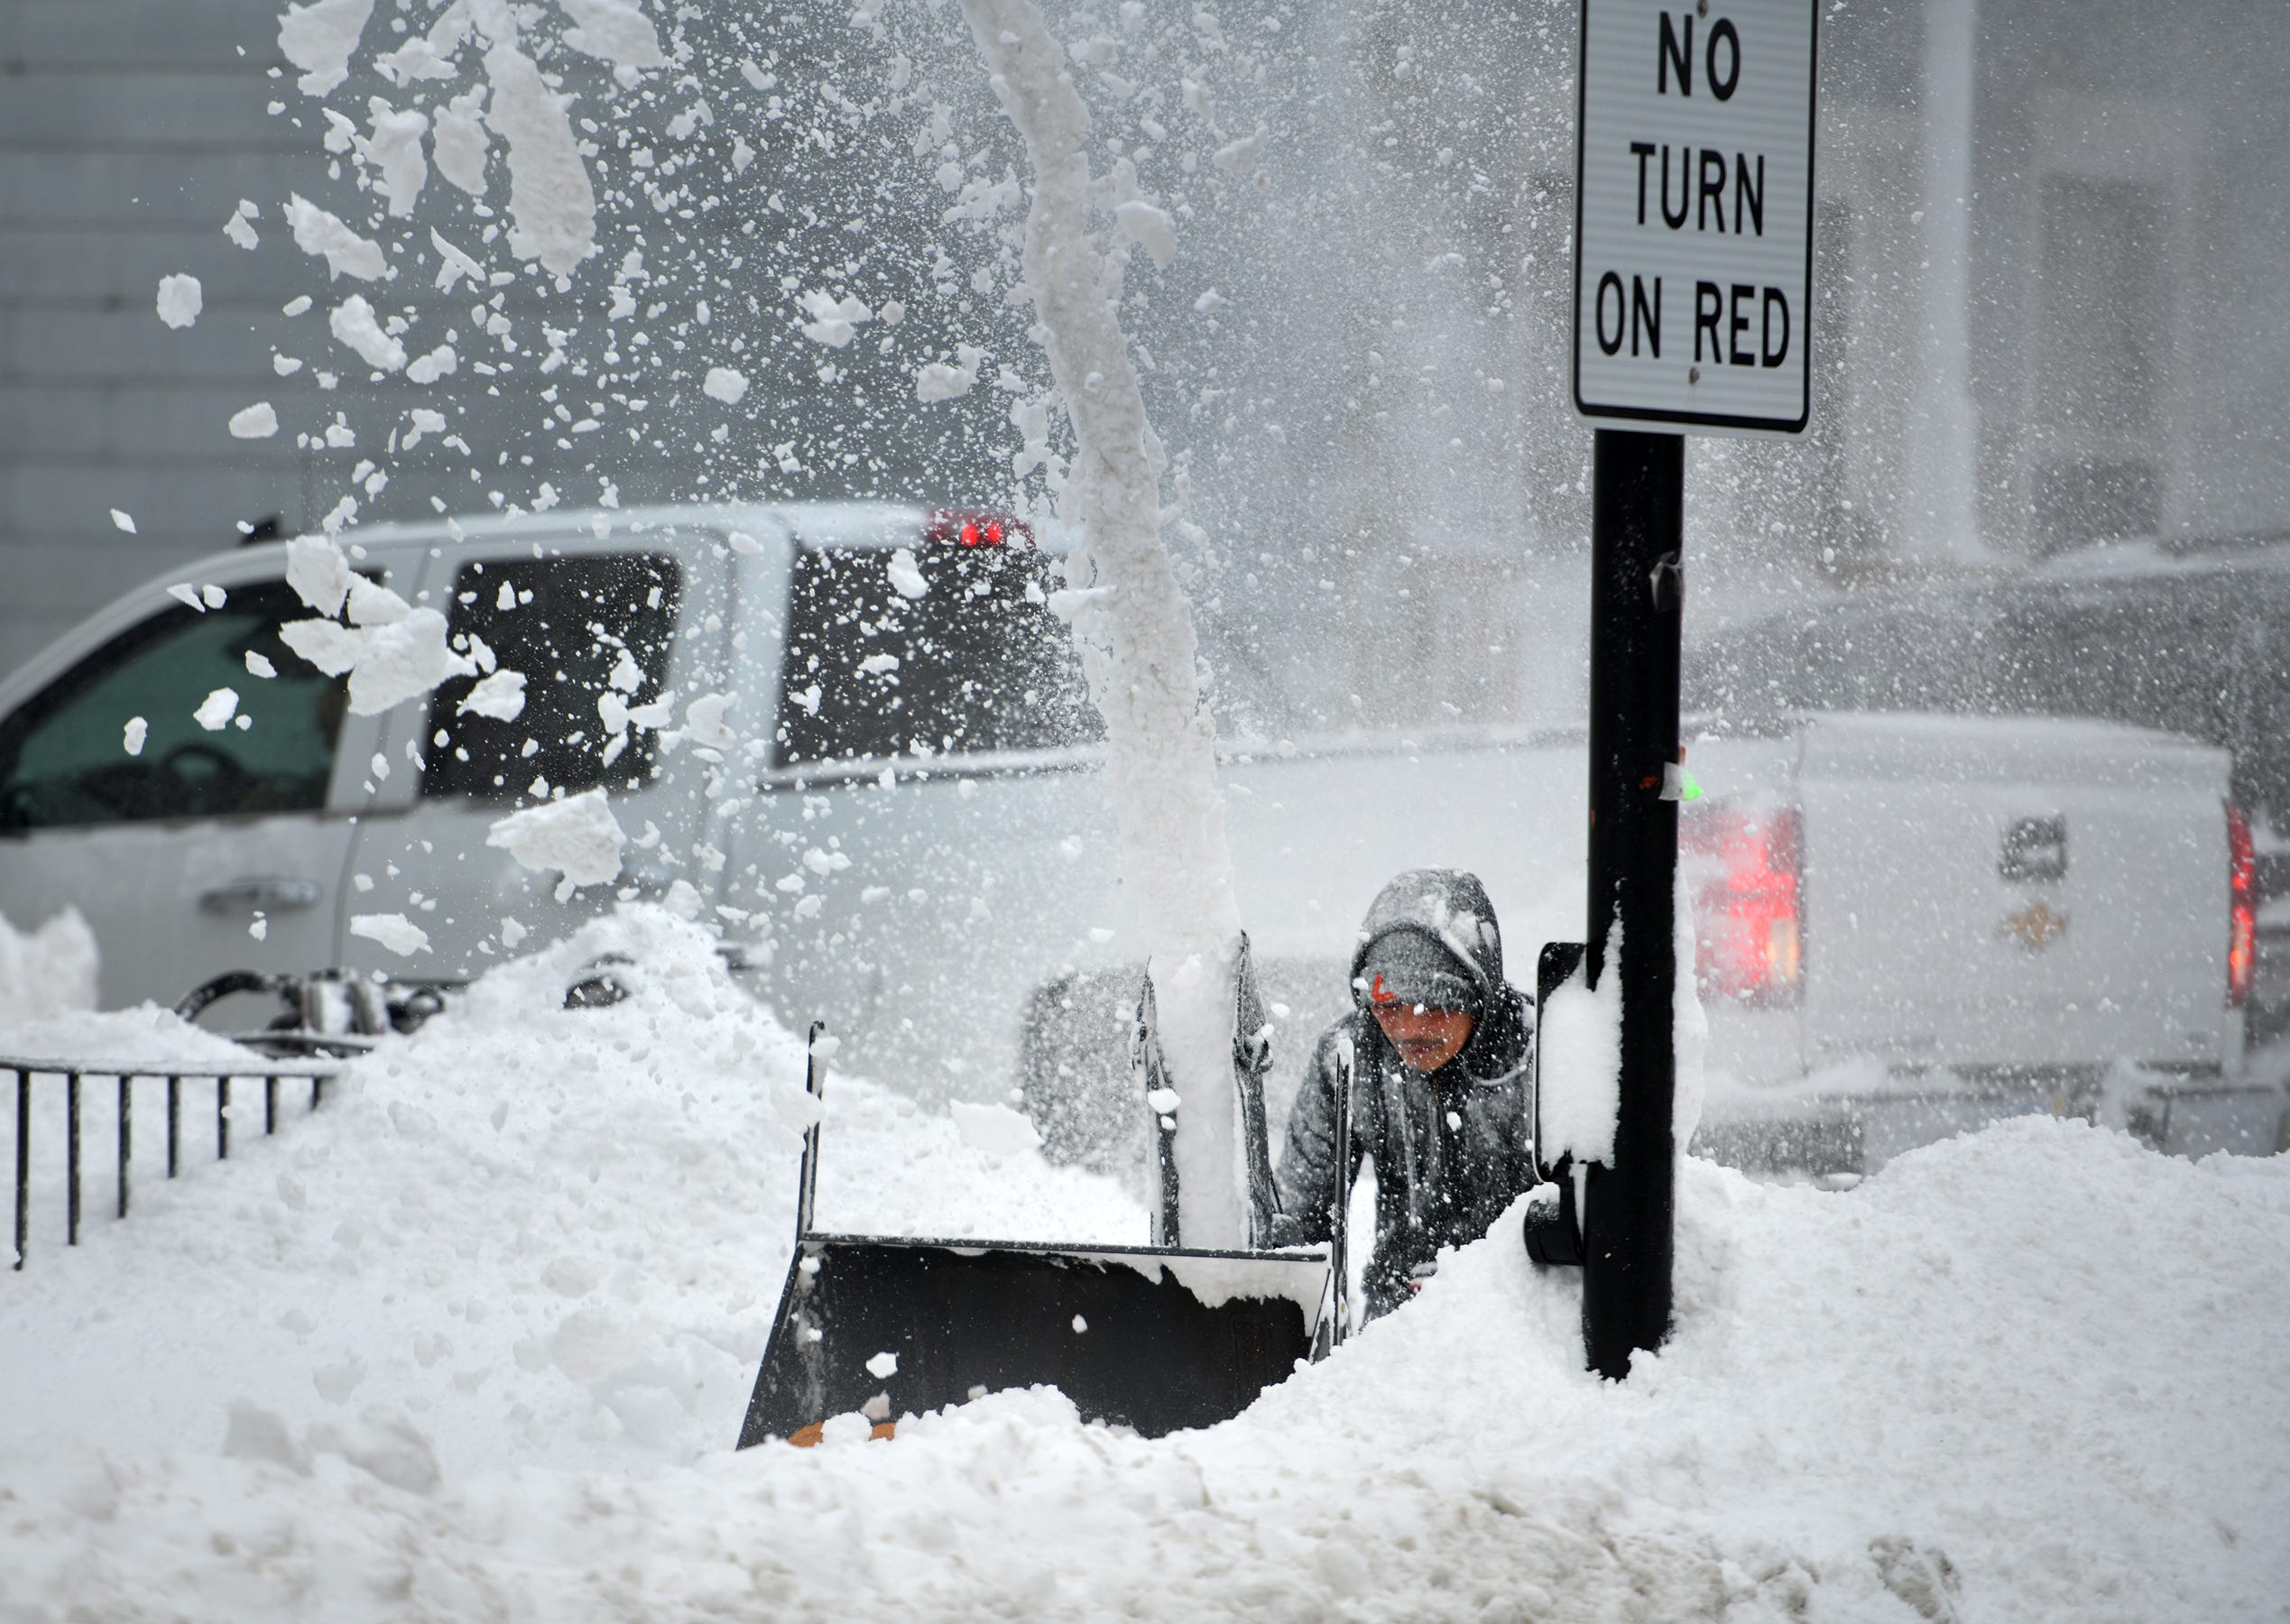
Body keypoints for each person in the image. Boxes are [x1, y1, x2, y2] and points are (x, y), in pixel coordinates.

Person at [1272, 868, 1537, 1321]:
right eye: (1389, 1005)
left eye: (1435, 1005)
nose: (1410, 1028)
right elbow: (1301, 1220)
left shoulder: (1539, 1056)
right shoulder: (1349, 1058)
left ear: (1480, 991)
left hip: (1522, 1327)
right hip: (1396, 1329)